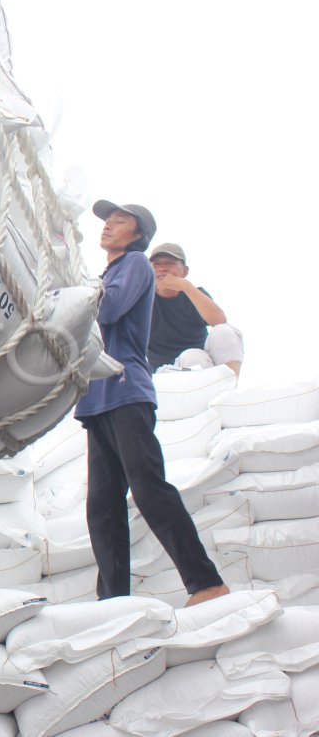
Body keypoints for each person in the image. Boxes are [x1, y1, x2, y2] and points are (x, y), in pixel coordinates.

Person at [74, 200, 229, 605]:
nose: (108, 225)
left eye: (119, 220)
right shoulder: (104, 274)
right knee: (102, 507)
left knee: (148, 488)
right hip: (98, 398)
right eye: (107, 220)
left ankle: (206, 583)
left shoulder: (136, 265)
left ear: (138, 233)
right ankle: (113, 603)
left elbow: (106, 310)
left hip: (127, 391)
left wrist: (75, 297)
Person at [146, 242, 244, 375]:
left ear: (184, 271)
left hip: (204, 365)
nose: (163, 268)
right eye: (157, 264)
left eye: (170, 263)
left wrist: (186, 286)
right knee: (192, 356)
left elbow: (219, 320)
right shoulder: (143, 300)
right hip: (166, 374)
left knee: (224, 332)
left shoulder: (194, 294)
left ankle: (230, 386)